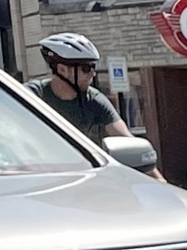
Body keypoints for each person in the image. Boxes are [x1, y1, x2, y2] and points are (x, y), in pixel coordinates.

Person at [25, 34, 158, 177]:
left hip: (84, 177)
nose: (93, 74)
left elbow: (127, 141)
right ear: (62, 69)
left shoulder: (94, 100)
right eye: (86, 68)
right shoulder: (32, 96)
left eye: (93, 67)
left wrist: (159, 181)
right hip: (39, 177)